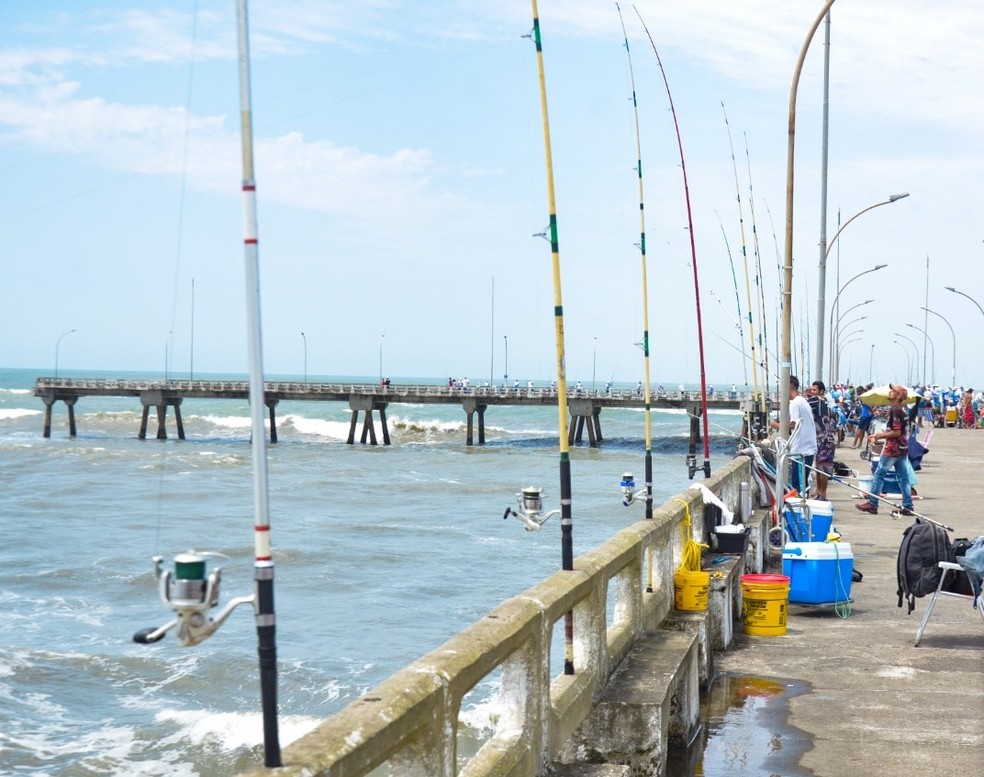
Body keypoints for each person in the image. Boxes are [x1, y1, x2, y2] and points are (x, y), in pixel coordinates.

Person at [856, 384, 914, 516]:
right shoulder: (899, 409)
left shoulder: (895, 410)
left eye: (893, 391)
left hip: (893, 449)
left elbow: (896, 432)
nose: (890, 392)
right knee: (903, 477)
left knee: (879, 474)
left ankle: (873, 503)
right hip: (902, 448)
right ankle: (908, 505)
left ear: (898, 396)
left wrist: (878, 436)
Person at [771, 376, 817, 497]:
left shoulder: (795, 404)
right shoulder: (802, 401)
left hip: (802, 451)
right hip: (806, 449)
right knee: (801, 485)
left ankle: (800, 512)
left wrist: (778, 425)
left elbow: (794, 424)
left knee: (798, 487)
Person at [807, 380, 837, 500]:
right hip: (824, 439)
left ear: (821, 391)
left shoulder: (816, 400)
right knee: (819, 467)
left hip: (824, 440)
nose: (812, 392)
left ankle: (823, 494)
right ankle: (819, 491)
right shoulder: (828, 404)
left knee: (823, 468)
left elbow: (801, 402)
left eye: (814, 390)